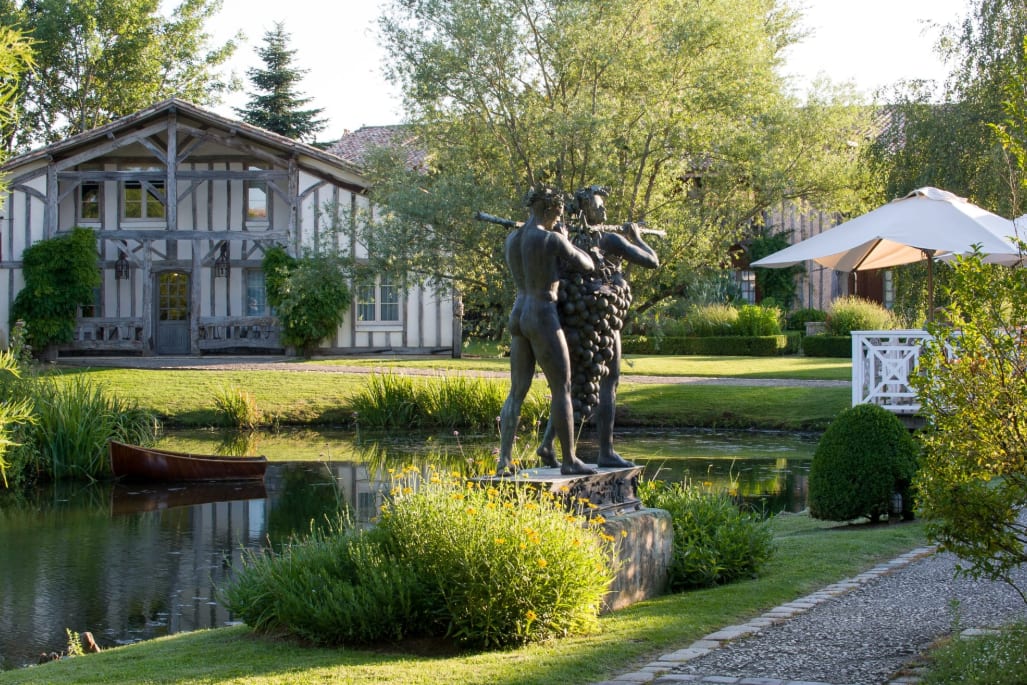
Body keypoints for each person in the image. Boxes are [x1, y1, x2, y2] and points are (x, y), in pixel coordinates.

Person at [537, 185, 659, 469]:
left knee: (572, 384)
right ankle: (606, 451)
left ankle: (547, 443)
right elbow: (651, 261)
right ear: (584, 210)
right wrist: (637, 237)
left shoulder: (564, 238)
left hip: (574, 319)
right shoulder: (610, 239)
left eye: (603, 206)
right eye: (598, 206)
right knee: (609, 380)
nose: (603, 211)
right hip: (603, 318)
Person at [497, 186, 598, 476]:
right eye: (558, 212)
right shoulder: (550, 239)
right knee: (562, 387)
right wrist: (566, 240)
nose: (559, 218)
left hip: (519, 313)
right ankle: (569, 460)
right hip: (542, 313)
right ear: (548, 208)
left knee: (516, 391)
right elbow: (588, 265)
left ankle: (504, 460)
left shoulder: (512, 239)